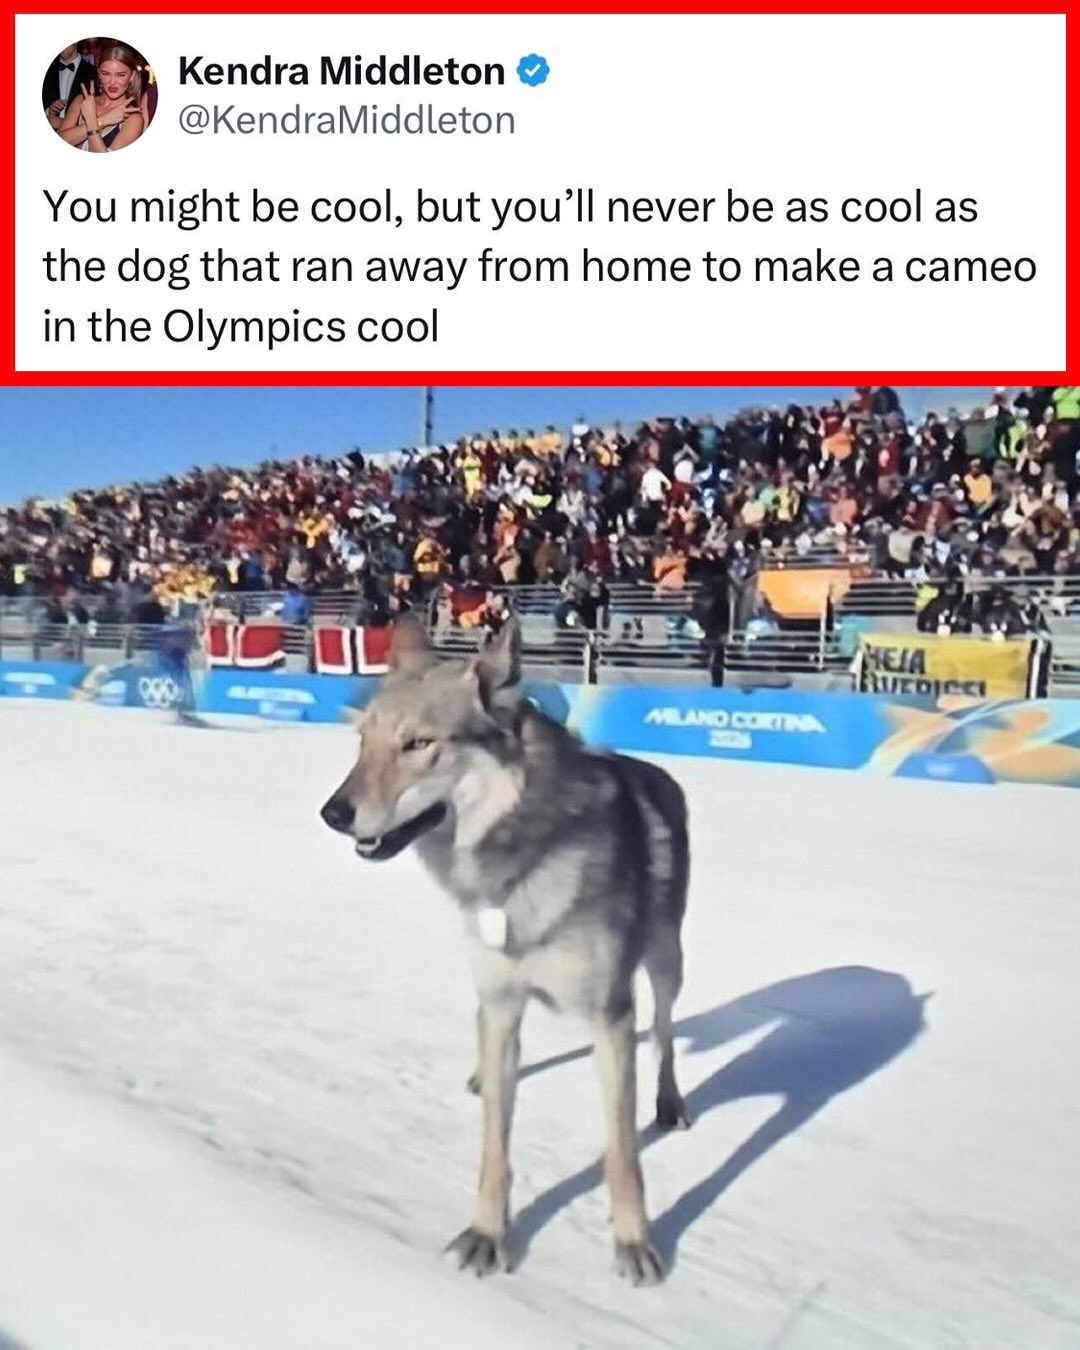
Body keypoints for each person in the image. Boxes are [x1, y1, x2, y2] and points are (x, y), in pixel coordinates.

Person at [58, 44, 145, 152]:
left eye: (120, 75)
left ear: (132, 76)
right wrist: (103, 120)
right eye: (106, 74)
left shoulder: (133, 118)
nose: (112, 82)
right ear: (99, 73)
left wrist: (92, 122)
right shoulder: (82, 100)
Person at [42, 41, 96, 130]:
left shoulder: (93, 72)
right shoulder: (47, 71)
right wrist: (49, 111)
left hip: (77, 133)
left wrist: (62, 123)